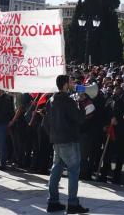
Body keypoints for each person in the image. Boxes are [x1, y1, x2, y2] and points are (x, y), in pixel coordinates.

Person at [46, 74, 89, 214]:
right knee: (73, 171)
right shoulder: (67, 101)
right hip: (69, 140)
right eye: (70, 81)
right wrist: (81, 102)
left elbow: (46, 122)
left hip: (56, 141)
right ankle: (72, 203)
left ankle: (53, 202)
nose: (72, 83)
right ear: (65, 85)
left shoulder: (51, 99)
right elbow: (80, 119)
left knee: (56, 170)